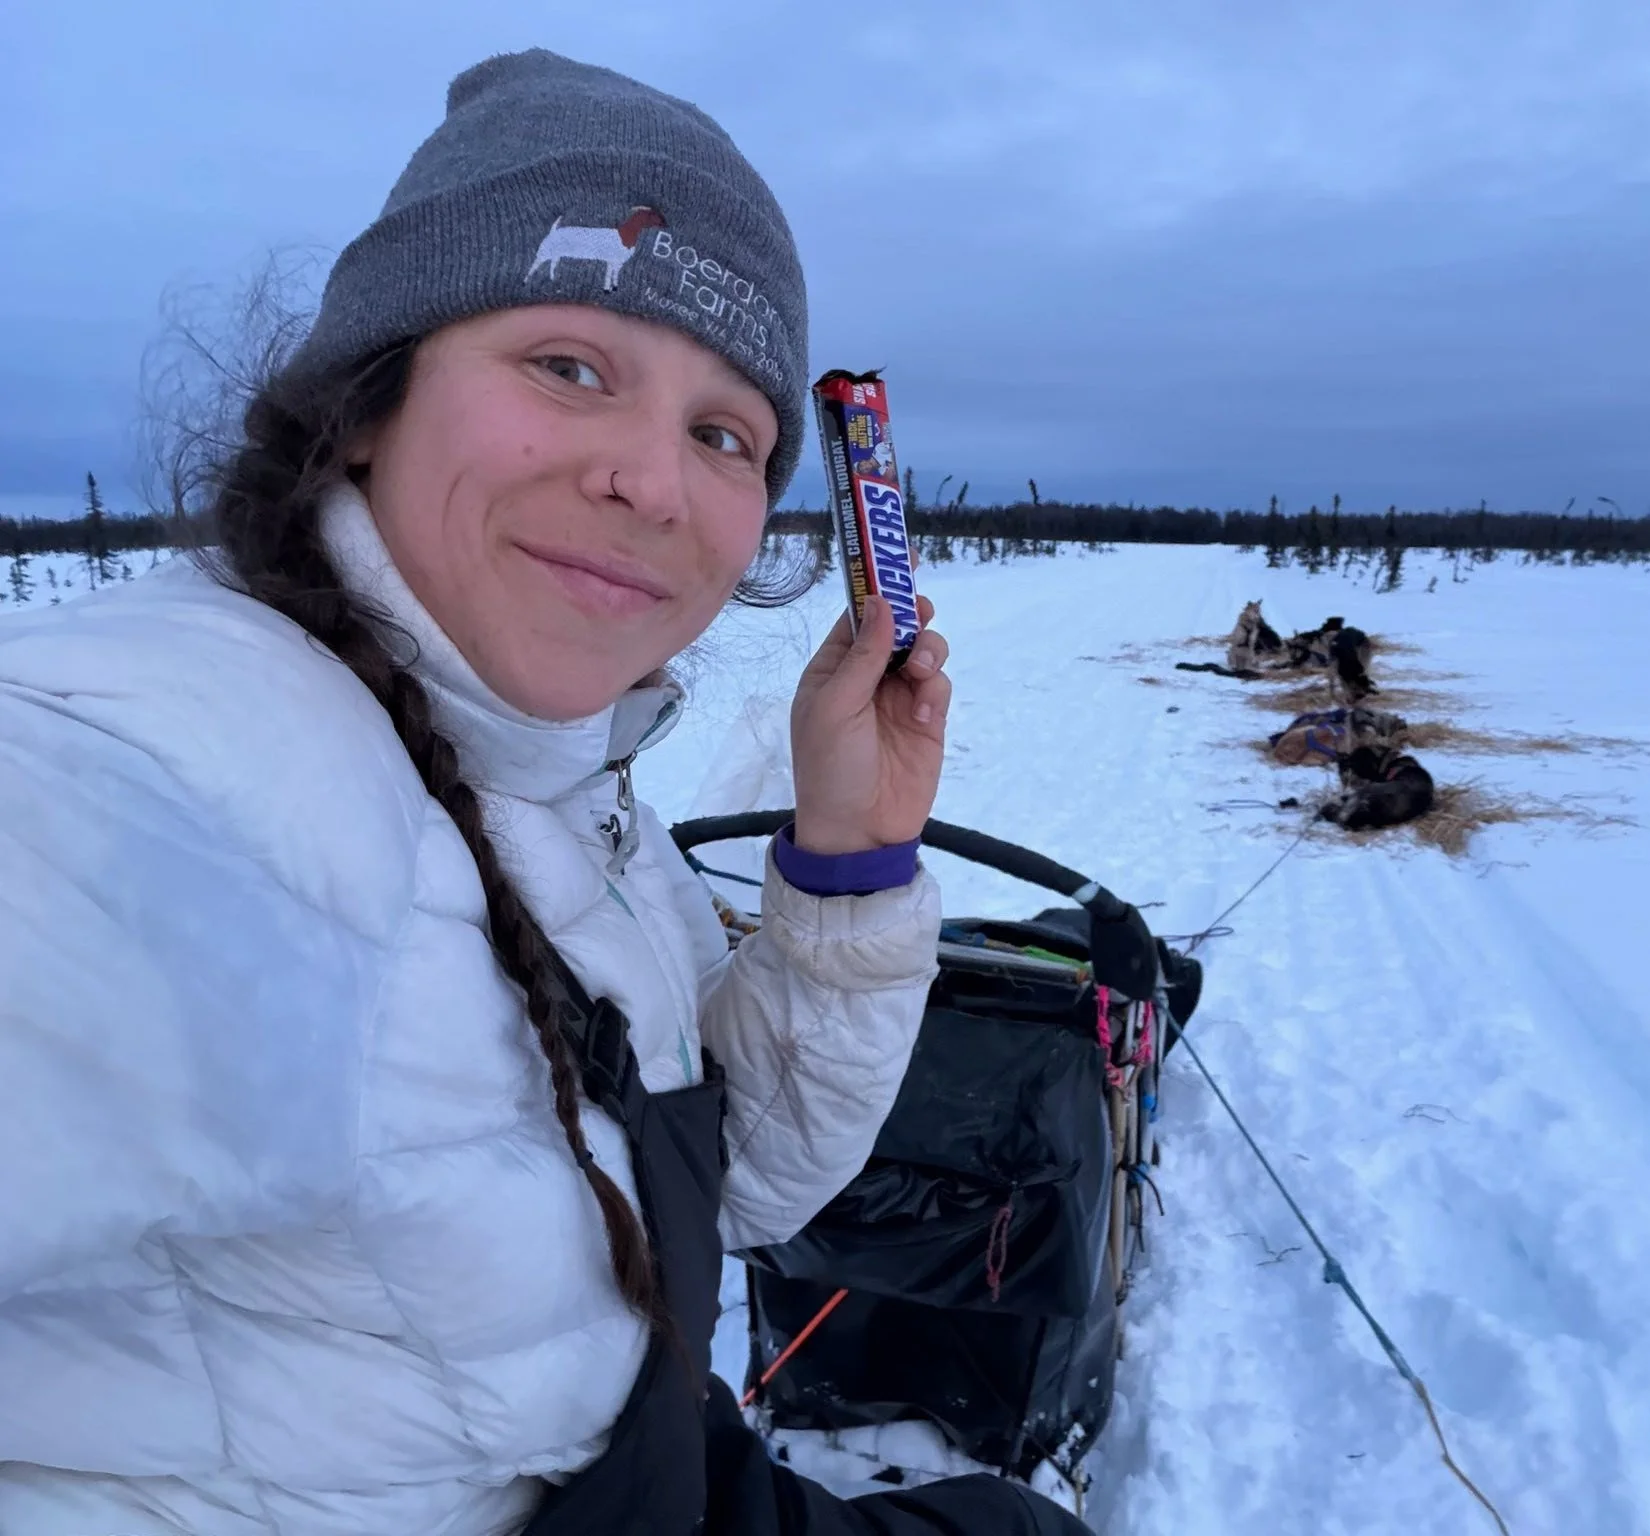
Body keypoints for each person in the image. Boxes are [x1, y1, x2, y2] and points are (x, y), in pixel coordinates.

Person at [0, 48, 1087, 1536]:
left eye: (722, 434)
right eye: (570, 368)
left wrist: (849, 853)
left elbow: (725, 1187)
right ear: (368, 400)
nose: (654, 482)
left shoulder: (547, 781)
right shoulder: (148, 767)